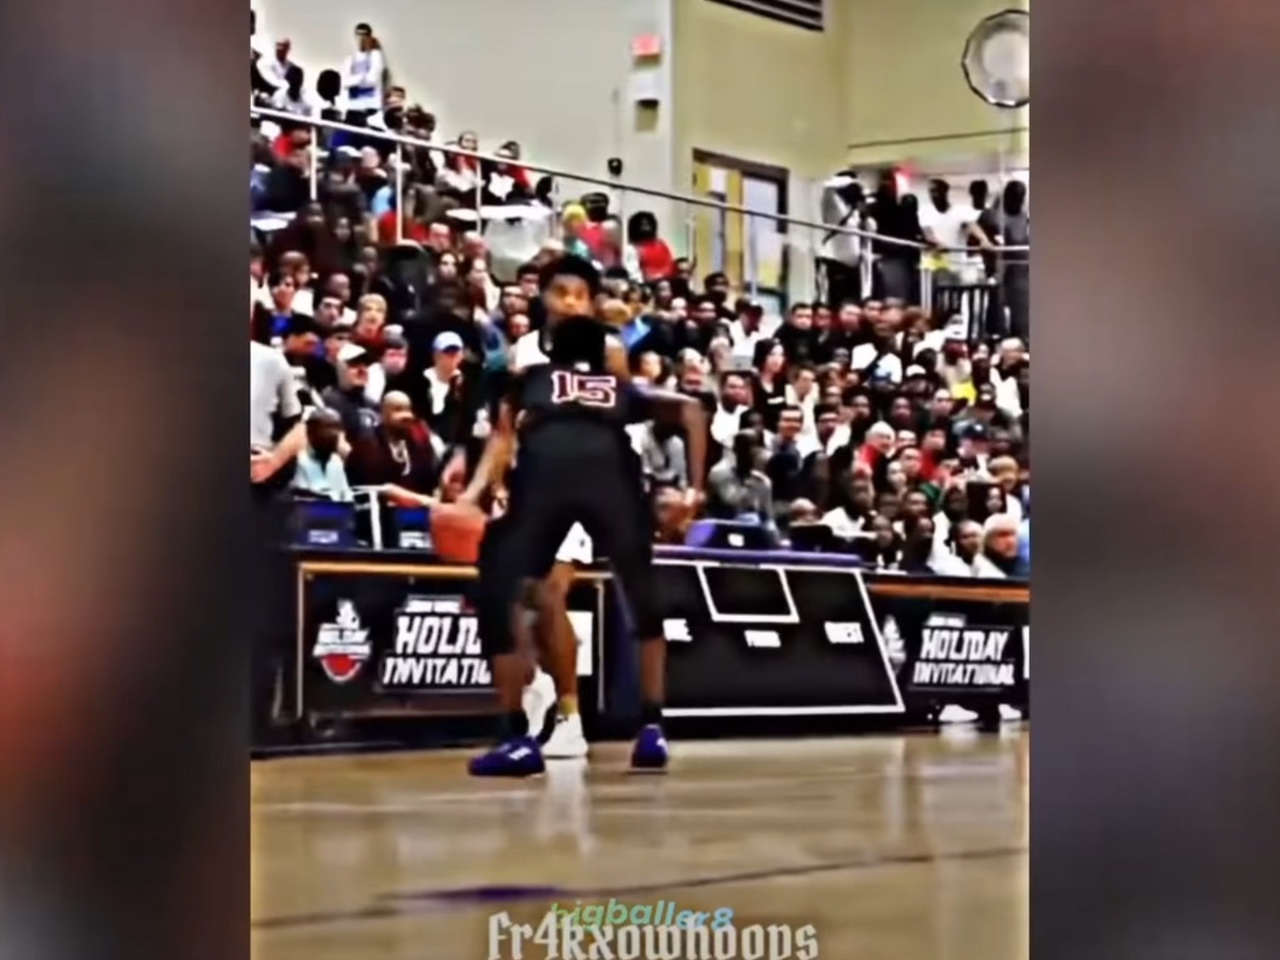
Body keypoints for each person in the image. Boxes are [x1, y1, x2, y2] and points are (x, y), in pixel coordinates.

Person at [461, 255, 705, 777]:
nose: (570, 302)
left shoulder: (592, 354)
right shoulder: (526, 353)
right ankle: (574, 709)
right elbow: (505, 436)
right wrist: (483, 489)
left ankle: (552, 719)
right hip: (574, 475)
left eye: (579, 294)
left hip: (567, 474)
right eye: (561, 292)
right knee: (544, 597)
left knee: (533, 591)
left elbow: (614, 410)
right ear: (543, 297)